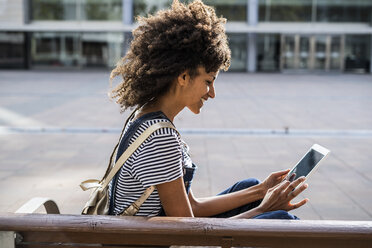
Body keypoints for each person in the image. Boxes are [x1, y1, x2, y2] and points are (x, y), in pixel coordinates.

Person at [108, 0, 308, 219]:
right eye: (208, 81)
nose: (211, 93)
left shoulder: (146, 117)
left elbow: (191, 206)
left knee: (251, 187)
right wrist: (263, 209)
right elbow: (188, 232)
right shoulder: (160, 137)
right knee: (280, 219)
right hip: (148, 241)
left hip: (154, 231)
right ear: (184, 76)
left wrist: (262, 191)